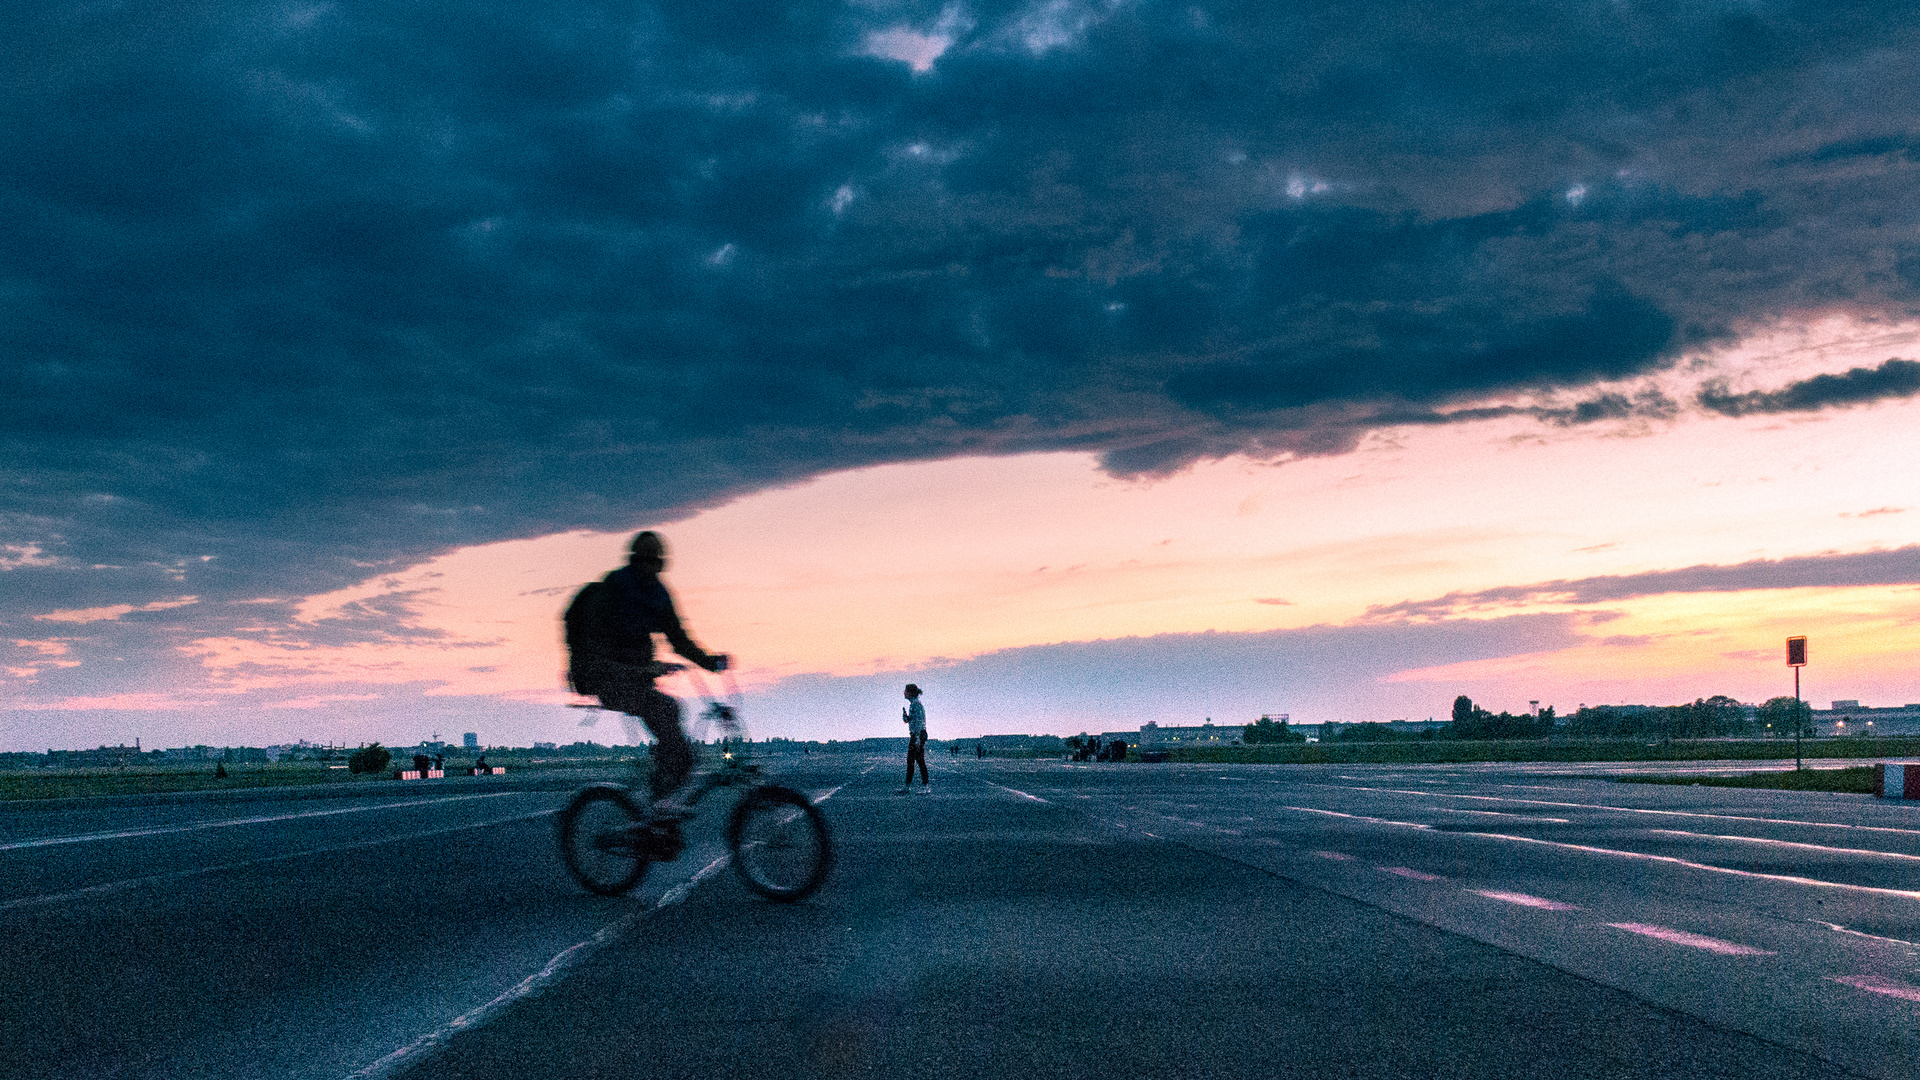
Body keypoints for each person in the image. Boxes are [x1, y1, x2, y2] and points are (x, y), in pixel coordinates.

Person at [587, 531, 729, 809]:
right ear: (636, 561)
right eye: (647, 563)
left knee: (672, 719)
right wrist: (644, 667)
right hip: (609, 679)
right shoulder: (616, 589)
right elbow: (602, 644)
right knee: (668, 719)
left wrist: (709, 662)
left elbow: (678, 638)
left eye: (654, 564)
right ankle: (653, 807)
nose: (651, 569)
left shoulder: (657, 593)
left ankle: (656, 801)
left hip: (637, 679)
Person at [897, 683, 928, 793]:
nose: (904, 693)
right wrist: (906, 718)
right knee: (914, 760)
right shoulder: (914, 704)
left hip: (918, 734)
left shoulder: (916, 704)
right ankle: (910, 786)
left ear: (910, 693)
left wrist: (917, 738)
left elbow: (919, 722)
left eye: (905, 691)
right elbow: (912, 720)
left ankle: (922, 786)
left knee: (917, 761)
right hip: (917, 734)